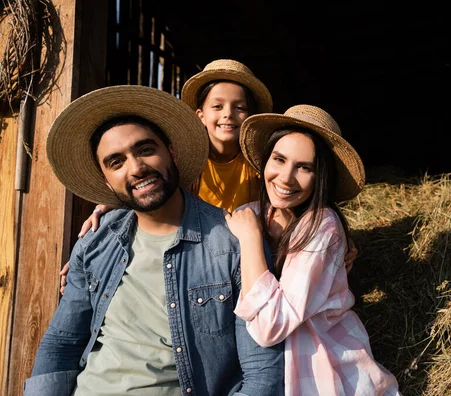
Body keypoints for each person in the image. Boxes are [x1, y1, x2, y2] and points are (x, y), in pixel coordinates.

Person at [24, 85, 284, 396]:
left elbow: (263, 373)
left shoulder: (234, 242)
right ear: (106, 179)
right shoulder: (96, 242)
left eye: (146, 150)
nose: (136, 168)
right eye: (116, 162)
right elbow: (61, 344)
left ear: (170, 152)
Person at [60, 59, 358, 294]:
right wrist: (105, 211)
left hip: (247, 252)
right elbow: (146, 190)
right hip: (196, 246)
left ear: (249, 117)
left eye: (239, 108)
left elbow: (302, 198)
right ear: (200, 114)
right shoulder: (186, 163)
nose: (228, 114)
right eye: (217, 106)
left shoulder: (262, 164)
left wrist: (335, 241)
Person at [225, 104, 401, 395]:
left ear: (321, 177)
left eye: (304, 167)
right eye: (279, 159)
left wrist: (250, 240)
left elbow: (270, 326)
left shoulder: (323, 227)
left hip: (324, 369)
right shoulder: (252, 214)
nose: (285, 178)